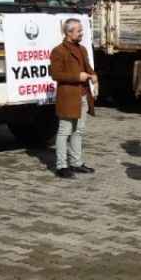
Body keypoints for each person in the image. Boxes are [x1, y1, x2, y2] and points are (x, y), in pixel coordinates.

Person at [48, 18, 97, 179]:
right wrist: (77, 76)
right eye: (78, 31)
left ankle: (76, 162)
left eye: (81, 30)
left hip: (82, 96)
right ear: (69, 33)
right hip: (68, 96)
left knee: (79, 130)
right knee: (64, 131)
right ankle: (62, 166)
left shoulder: (82, 49)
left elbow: (88, 68)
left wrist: (94, 76)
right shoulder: (58, 51)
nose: (81, 33)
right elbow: (56, 74)